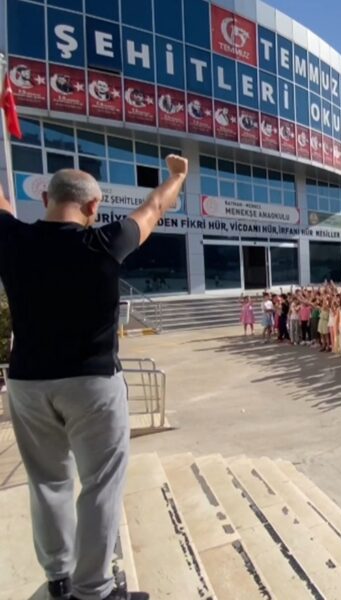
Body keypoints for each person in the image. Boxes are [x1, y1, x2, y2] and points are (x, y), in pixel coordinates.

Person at [1, 156, 189, 600]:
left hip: (28, 383)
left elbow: (3, 204)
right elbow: (155, 208)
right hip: (92, 383)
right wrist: (177, 177)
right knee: (100, 483)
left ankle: (58, 579)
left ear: (45, 199)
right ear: (92, 207)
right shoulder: (105, 241)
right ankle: (94, 588)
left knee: (47, 482)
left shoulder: (11, 237)